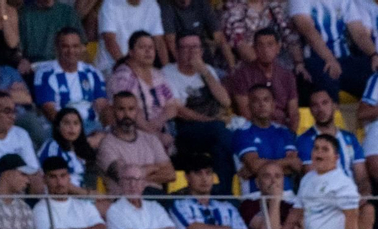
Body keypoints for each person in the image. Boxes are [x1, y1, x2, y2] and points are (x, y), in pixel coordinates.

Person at [163, 31, 232, 185]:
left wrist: (205, 72)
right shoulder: (168, 73)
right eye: (186, 48)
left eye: (195, 47)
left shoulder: (207, 69)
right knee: (220, 133)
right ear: (177, 51)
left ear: (201, 51)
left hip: (213, 130)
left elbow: (226, 101)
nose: (191, 52)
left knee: (220, 147)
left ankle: (223, 192)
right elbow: (179, 110)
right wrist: (210, 121)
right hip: (185, 130)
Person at [288, 0, 375, 100]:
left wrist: (374, 55)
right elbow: (308, 31)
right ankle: (332, 113)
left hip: (345, 58)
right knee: (326, 80)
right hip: (316, 59)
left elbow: (359, 33)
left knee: (375, 76)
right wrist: (330, 59)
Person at [109, 29, 178, 147]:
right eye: (142, 47)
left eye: (151, 47)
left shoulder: (157, 74)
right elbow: (128, 112)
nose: (148, 51)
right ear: (131, 52)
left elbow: (172, 106)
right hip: (135, 132)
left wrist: (158, 122)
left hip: (164, 128)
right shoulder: (123, 77)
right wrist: (156, 135)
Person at [33, 27, 111, 134]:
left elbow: (102, 107)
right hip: (60, 128)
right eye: (65, 46)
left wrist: (108, 131)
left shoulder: (92, 73)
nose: (71, 51)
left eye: (75, 46)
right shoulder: (45, 74)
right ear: (57, 48)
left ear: (82, 48)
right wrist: (75, 134)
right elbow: (49, 110)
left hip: (92, 126)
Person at [96, 91, 175, 195]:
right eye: (121, 109)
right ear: (112, 110)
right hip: (125, 201)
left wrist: (136, 176)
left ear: (137, 111)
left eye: (131, 109)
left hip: (154, 200)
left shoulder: (151, 140)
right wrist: (153, 168)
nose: (127, 114)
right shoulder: (106, 145)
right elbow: (123, 176)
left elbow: (170, 175)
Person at [224, 26, 297, 132]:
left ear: (278, 48)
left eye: (270, 45)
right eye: (260, 45)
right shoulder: (242, 75)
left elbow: (294, 113)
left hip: (282, 131)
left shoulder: (287, 75)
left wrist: (291, 136)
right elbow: (245, 112)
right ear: (254, 48)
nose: (265, 50)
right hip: (254, 130)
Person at [296, 85, 366, 194]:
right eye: (315, 105)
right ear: (310, 110)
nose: (320, 109)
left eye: (325, 103)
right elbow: (313, 178)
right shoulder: (304, 140)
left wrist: (363, 196)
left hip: (352, 198)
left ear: (335, 105)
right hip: (324, 199)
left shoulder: (350, 138)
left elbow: (362, 177)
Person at [231, 82, 298, 191]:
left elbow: (296, 165)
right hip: (255, 197)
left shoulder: (284, 131)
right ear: (249, 106)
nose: (262, 104)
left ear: (273, 105)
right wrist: (287, 163)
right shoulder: (242, 133)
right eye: (256, 100)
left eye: (266, 100)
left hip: (287, 195)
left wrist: (259, 169)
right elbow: (254, 165)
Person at [36, 105, 99, 192]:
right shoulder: (52, 146)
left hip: (83, 199)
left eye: (76, 123)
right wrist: (86, 194)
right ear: (58, 127)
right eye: (67, 123)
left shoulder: (84, 149)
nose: (72, 128)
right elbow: (56, 181)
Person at [220, 0, 299, 70]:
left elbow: (288, 35)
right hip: (250, 68)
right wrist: (267, 70)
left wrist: (299, 63)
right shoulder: (235, 7)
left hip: (281, 63)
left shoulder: (272, 4)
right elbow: (240, 44)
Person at [98, 0, 167, 73]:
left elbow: (159, 41)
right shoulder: (110, 3)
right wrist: (129, 69)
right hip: (112, 66)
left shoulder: (152, 4)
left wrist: (167, 70)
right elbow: (110, 40)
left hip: (144, 69)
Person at [18, 0, 82, 66]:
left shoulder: (68, 12)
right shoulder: (24, 14)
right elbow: (17, 51)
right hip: (33, 67)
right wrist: (22, 60)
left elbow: (82, 46)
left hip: (63, 65)